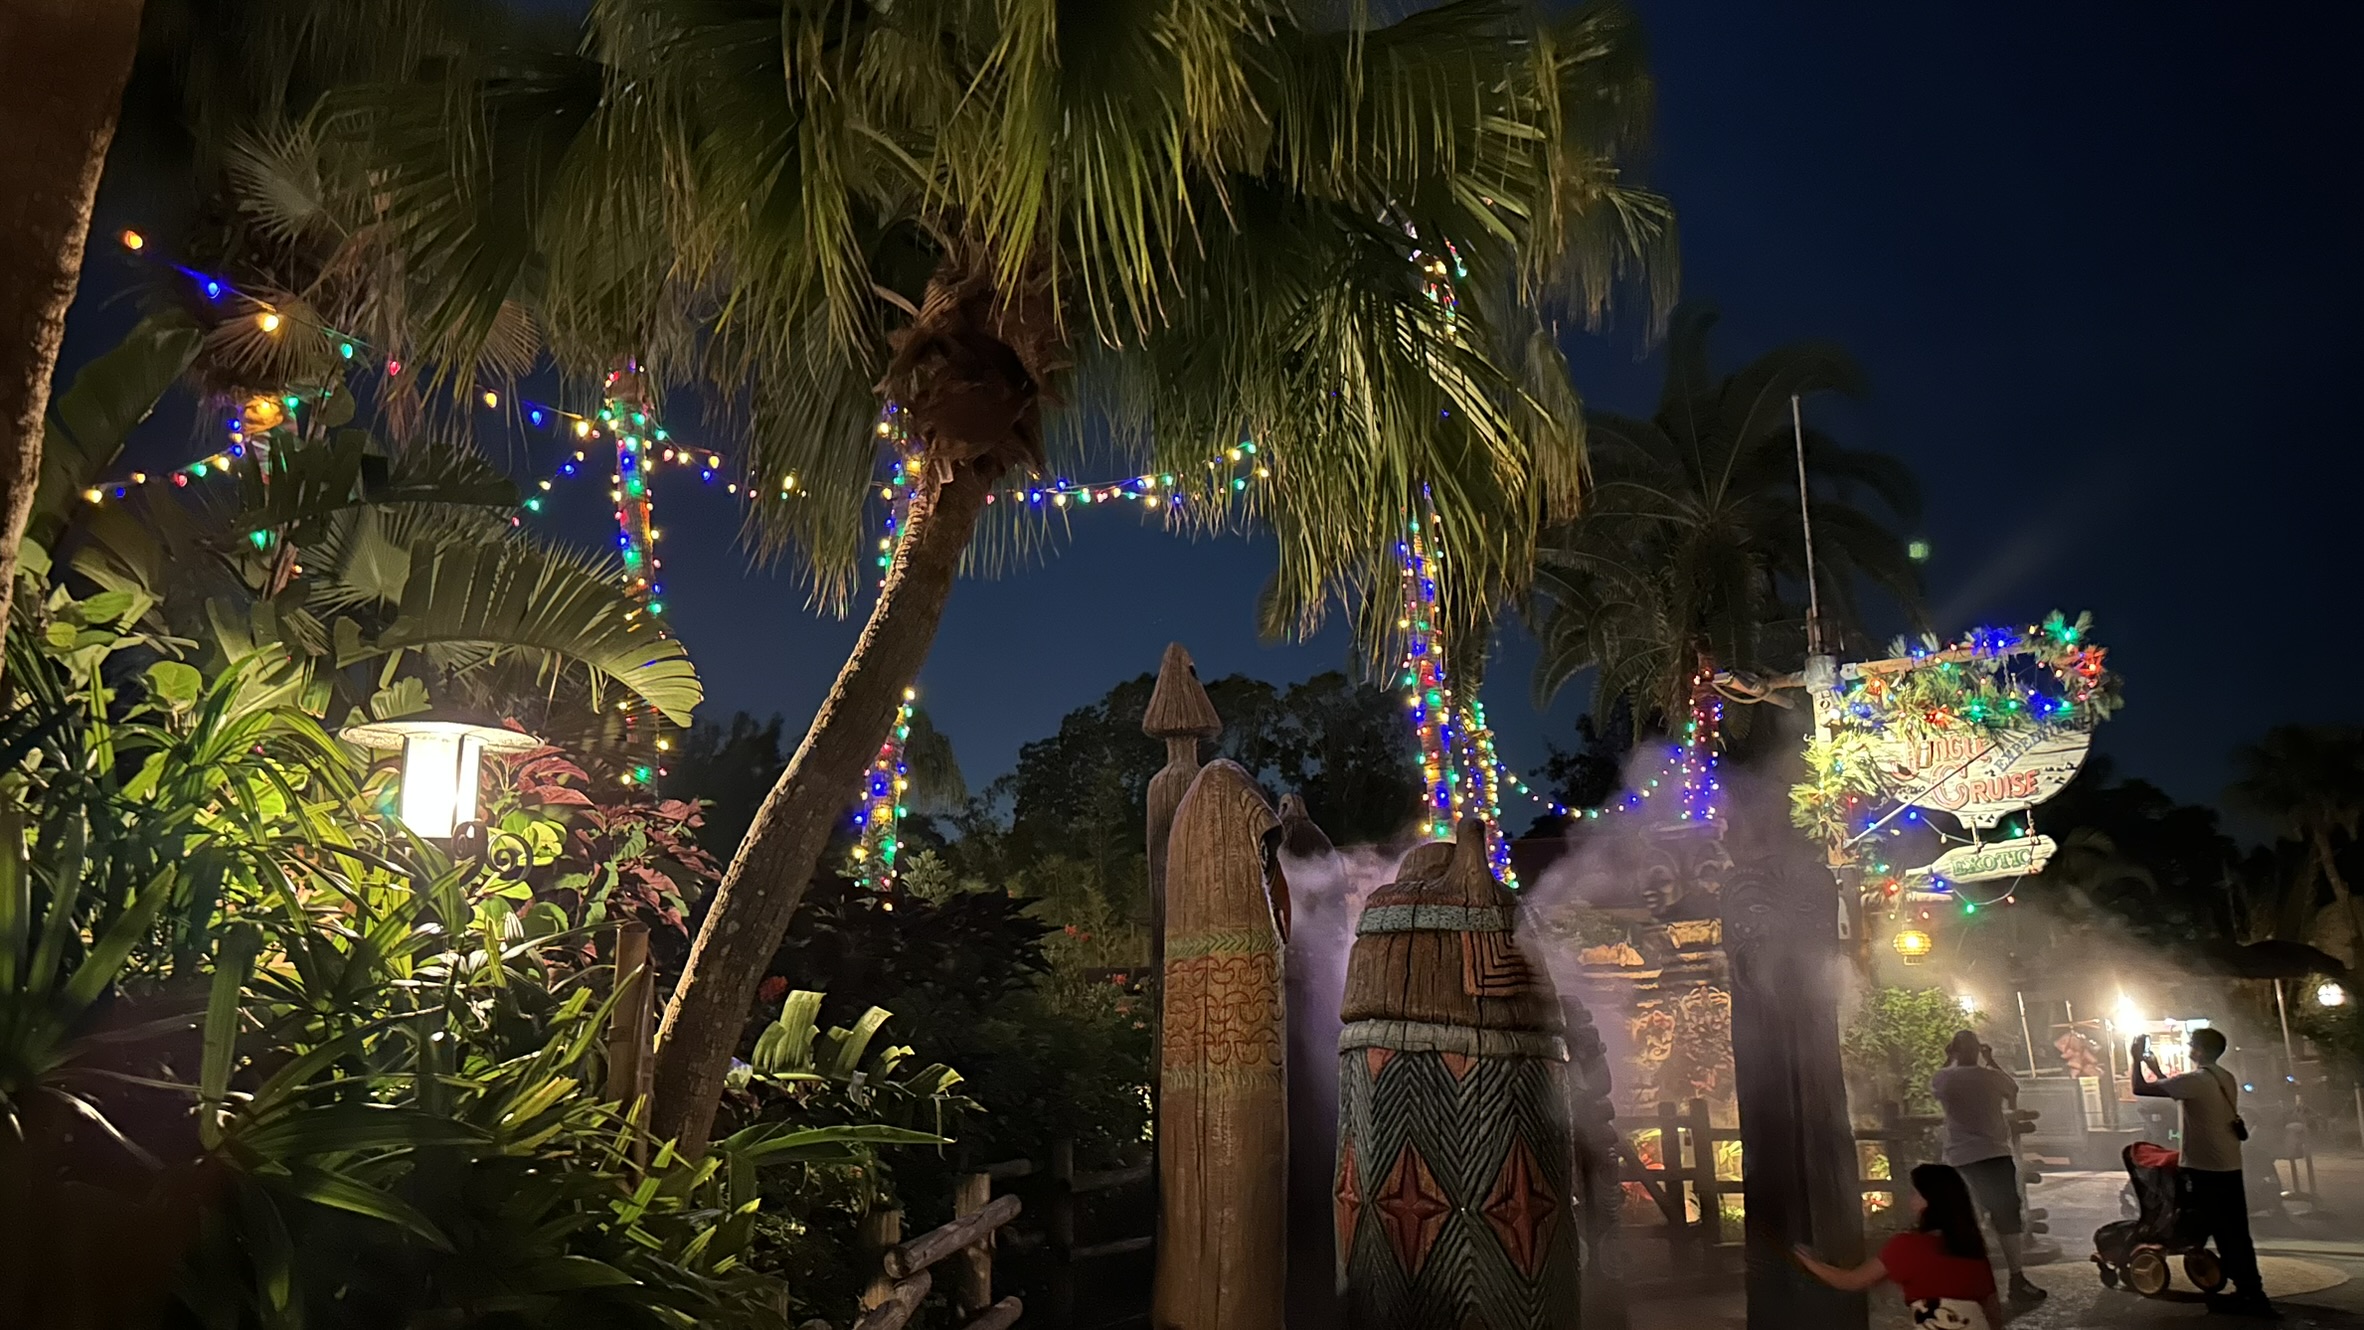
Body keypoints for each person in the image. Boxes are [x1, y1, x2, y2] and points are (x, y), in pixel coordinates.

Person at [2132, 1028, 2276, 1317]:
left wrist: (2135, 1060)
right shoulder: (2223, 1077)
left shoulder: (2196, 1080)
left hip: (2203, 1169)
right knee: (2235, 1233)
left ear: (2198, 1050)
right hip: (2229, 1166)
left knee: (2200, 1226)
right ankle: (2252, 1292)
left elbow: (2140, 1089)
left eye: (2190, 1044)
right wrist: (2155, 1068)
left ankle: (2200, 1262)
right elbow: (2174, 1090)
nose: (2187, 1047)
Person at [1796, 1163, 2005, 1329]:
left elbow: (1852, 1281)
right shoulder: (1973, 1251)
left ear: (1930, 1201)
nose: (1910, 1200)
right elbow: (1994, 1315)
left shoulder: (1907, 1246)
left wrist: (1810, 1262)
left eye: (1915, 1194)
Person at [1930, 1030, 2047, 1304]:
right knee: (2006, 1219)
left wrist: (1950, 1059)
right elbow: (2013, 1089)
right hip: (1994, 1155)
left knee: (1964, 1219)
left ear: (1955, 1051)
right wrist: (1991, 1060)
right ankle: (2016, 1279)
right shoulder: (1991, 1077)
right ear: (1978, 1050)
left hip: (1960, 1158)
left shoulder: (1945, 1078)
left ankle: (1964, 1284)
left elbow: (1936, 1086)